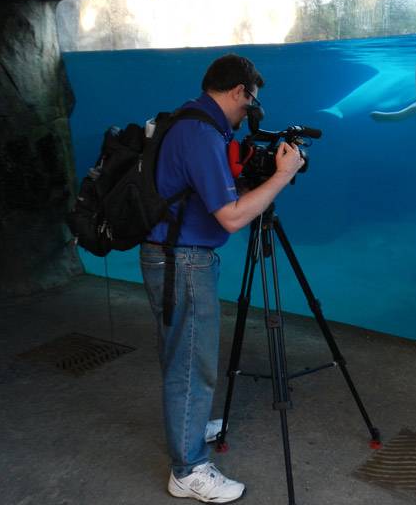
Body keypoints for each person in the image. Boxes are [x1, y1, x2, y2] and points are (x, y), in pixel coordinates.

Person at [140, 54, 304, 503]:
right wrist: (283, 175)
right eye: (252, 100)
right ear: (240, 91)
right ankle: (188, 469)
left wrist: (264, 179)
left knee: (184, 355)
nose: (251, 111)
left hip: (176, 258)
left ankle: (189, 427)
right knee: (191, 362)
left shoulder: (190, 122)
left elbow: (216, 199)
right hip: (183, 262)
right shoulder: (201, 134)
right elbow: (232, 218)